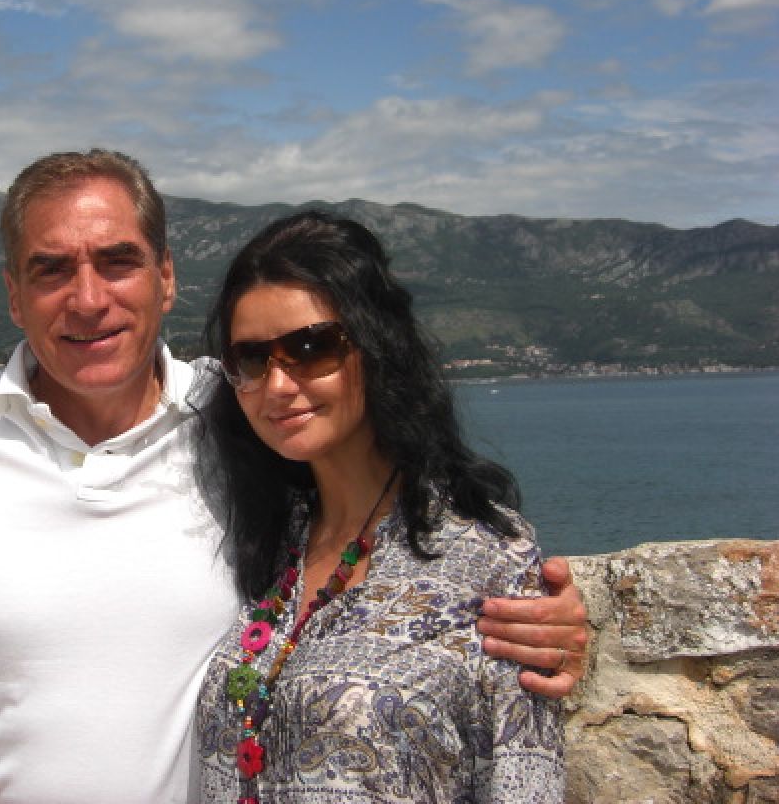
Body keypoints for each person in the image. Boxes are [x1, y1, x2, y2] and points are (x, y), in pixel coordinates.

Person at [0, 151, 586, 804]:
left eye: (118, 261)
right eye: (52, 269)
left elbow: (386, 522)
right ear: (13, 295)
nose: (88, 299)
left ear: (165, 277)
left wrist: (539, 615)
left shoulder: (237, 416)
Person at [195, 210, 564, 802]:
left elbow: (523, 776)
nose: (279, 385)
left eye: (311, 347)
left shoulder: (486, 557)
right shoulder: (273, 539)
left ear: (376, 346)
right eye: (253, 359)